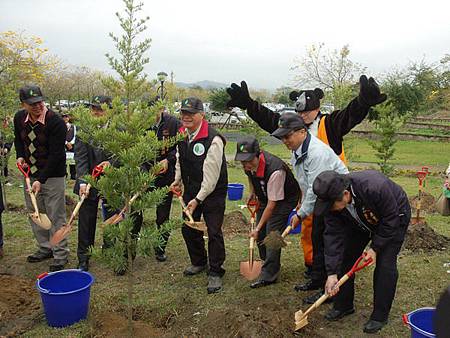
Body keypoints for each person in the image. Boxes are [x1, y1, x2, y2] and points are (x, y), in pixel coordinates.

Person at [227, 76, 386, 280]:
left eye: (307, 111)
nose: (303, 115)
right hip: (309, 190)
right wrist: (249, 104)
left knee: (326, 233)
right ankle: (313, 269)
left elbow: (350, 115)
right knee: (309, 234)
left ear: (317, 108)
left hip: (331, 189)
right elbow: (268, 118)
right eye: (299, 111)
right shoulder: (292, 128)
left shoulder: (329, 124)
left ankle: (325, 273)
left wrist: (363, 102)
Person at [312, 170, 411, 333]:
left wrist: (375, 248)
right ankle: (343, 305)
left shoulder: (374, 187)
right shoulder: (332, 205)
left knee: (385, 265)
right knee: (346, 256)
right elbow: (333, 238)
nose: (330, 209)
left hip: (393, 217)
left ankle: (379, 315)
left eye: (331, 205)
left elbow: (391, 219)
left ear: (345, 194)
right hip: (360, 220)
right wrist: (331, 273)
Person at [270, 113, 348, 304]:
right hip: (320, 196)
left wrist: (301, 213)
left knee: (325, 241)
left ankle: (327, 288)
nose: (284, 141)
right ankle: (316, 279)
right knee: (316, 238)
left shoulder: (316, 153)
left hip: (336, 198)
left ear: (302, 132)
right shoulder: (297, 149)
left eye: (287, 136)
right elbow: (306, 183)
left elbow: (316, 188)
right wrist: (301, 202)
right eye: (282, 137)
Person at [170, 97, 227, 294]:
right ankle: (199, 261)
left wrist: (198, 200)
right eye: (183, 113)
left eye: (190, 114)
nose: (186, 117)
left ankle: (216, 271)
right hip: (193, 188)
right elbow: (179, 160)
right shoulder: (181, 135)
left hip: (213, 191)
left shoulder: (214, 140)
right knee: (188, 227)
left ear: (201, 115)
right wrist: (177, 179)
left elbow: (211, 179)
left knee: (213, 230)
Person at [14, 85, 69, 271]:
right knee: (36, 213)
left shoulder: (55, 122)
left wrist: (41, 179)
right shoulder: (19, 118)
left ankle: (60, 254)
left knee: (56, 215)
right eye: (32, 104)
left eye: (39, 102)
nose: (37, 106)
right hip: (30, 174)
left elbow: (57, 155)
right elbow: (18, 140)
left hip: (53, 175)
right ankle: (45, 248)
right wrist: (20, 156)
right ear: (23, 104)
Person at [235, 136, 299, 287]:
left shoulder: (275, 170)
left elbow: (272, 205)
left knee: (272, 234)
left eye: (249, 161)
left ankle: (270, 275)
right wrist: (252, 191)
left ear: (258, 155)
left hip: (284, 200)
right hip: (266, 196)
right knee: (260, 234)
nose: (246, 165)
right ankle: (267, 261)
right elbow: (250, 176)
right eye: (243, 161)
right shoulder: (248, 165)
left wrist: (257, 228)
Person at [131, 100, 181, 262]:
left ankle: (160, 248)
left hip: (165, 176)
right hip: (143, 176)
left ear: (161, 109)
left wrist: (169, 160)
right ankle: (131, 248)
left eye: (154, 110)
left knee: (162, 215)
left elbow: (179, 146)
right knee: (136, 212)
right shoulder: (139, 124)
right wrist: (144, 173)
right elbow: (134, 150)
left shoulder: (173, 123)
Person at [74, 95, 116, 271]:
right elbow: (81, 157)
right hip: (89, 180)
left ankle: (111, 249)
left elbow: (124, 155)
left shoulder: (118, 128)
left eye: (100, 109)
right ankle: (84, 257)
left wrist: (112, 165)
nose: (96, 112)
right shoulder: (84, 129)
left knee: (113, 217)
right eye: (94, 109)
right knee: (86, 219)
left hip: (112, 180)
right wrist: (83, 181)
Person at [62, 113, 76, 180]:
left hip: (72, 145)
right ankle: (65, 174)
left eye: (66, 117)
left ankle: (73, 175)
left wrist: (71, 143)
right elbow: (60, 136)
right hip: (63, 145)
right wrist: (66, 142)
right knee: (64, 160)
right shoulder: (60, 126)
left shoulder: (73, 126)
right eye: (64, 117)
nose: (65, 119)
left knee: (72, 160)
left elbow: (75, 135)